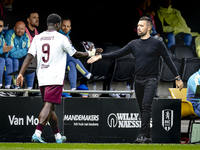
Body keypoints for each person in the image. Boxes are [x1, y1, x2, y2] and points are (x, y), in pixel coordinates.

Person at [88, 16, 183, 143]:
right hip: (138, 80)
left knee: (146, 106)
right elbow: (118, 53)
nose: (138, 28)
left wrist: (177, 77)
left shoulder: (157, 43)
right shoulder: (134, 44)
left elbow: (168, 60)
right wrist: (100, 57)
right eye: (138, 25)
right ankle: (148, 136)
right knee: (142, 108)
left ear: (149, 28)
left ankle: (142, 135)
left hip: (152, 79)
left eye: (141, 26)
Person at [16, 13, 102, 143]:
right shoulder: (62, 38)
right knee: (48, 105)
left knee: (50, 109)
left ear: (47, 24)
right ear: (57, 25)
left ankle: (57, 137)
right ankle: (37, 133)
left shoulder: (38, 37)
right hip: (55, 77)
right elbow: (76, 54)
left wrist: (21, 73)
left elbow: (29, 55)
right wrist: (92, 52)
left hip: (42, 77)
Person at [59, 18, 92, 91]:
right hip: (57, 61)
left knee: (71, 64)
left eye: (67, 26)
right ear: (60, 26)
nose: (65, 28)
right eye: (64, 26)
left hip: (64, 61)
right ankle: (86, 73)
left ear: (70, 28)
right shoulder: (59, 35)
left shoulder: (67, 36)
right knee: (72, 56)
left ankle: (73, 89)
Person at [5, 21, 35, 90]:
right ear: (14, 28)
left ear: (24, 30)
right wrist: (25, 50)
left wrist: (26, 52)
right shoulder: (10, 34)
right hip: (11, 59)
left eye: (22, 29)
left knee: (30, 62)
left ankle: (30, 89)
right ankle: (16, 87)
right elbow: (12, 54)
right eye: (18, 28)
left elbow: (29, 53)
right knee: (15, 61)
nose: (20, 30)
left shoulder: (26, 36)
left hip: (21, 59)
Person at [0, 19, 13, 96]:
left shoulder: (2, 36)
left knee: (9, 60)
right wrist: (3, 50)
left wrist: (6, 50)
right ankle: (0, 86)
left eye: (1, 26)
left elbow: (3, 52)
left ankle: (7, 87)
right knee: (1, 60)